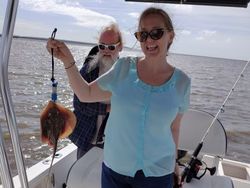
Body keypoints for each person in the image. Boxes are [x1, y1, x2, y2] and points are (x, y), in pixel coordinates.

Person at [47, 7, 190, 188]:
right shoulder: (123, 68)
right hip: (115, 170)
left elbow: (174, 128)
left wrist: (174, 163)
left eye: (156, 33)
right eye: (143, 34)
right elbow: (85, 94)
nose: (149, 40)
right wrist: (67, 60)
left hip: (159, 173)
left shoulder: (183, 83)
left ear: (170, 36)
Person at [68, 23, 123, 159]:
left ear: (120, 47)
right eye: (101, 46)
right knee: (82, 174)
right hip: (87, 135)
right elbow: (78, 104)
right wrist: (107, 108)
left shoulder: (126, 73)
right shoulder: (88, 70)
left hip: (115, 140)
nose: (106, 50)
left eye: (111, 47)